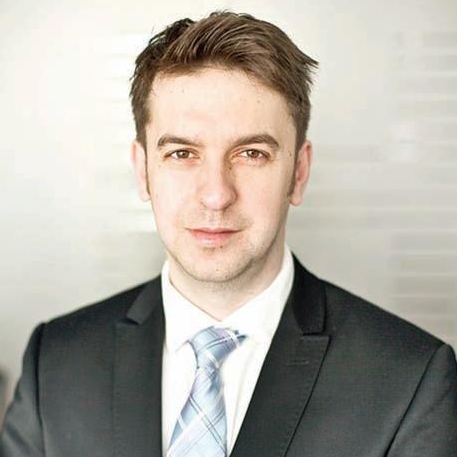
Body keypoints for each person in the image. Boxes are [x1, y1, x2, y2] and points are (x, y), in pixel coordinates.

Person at [1, 11, 456, 457]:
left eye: (251, 153)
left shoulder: (411, 381)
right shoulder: (54, 363)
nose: (216, 195)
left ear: (298, 173)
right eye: (182, 153)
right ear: (143, 171)